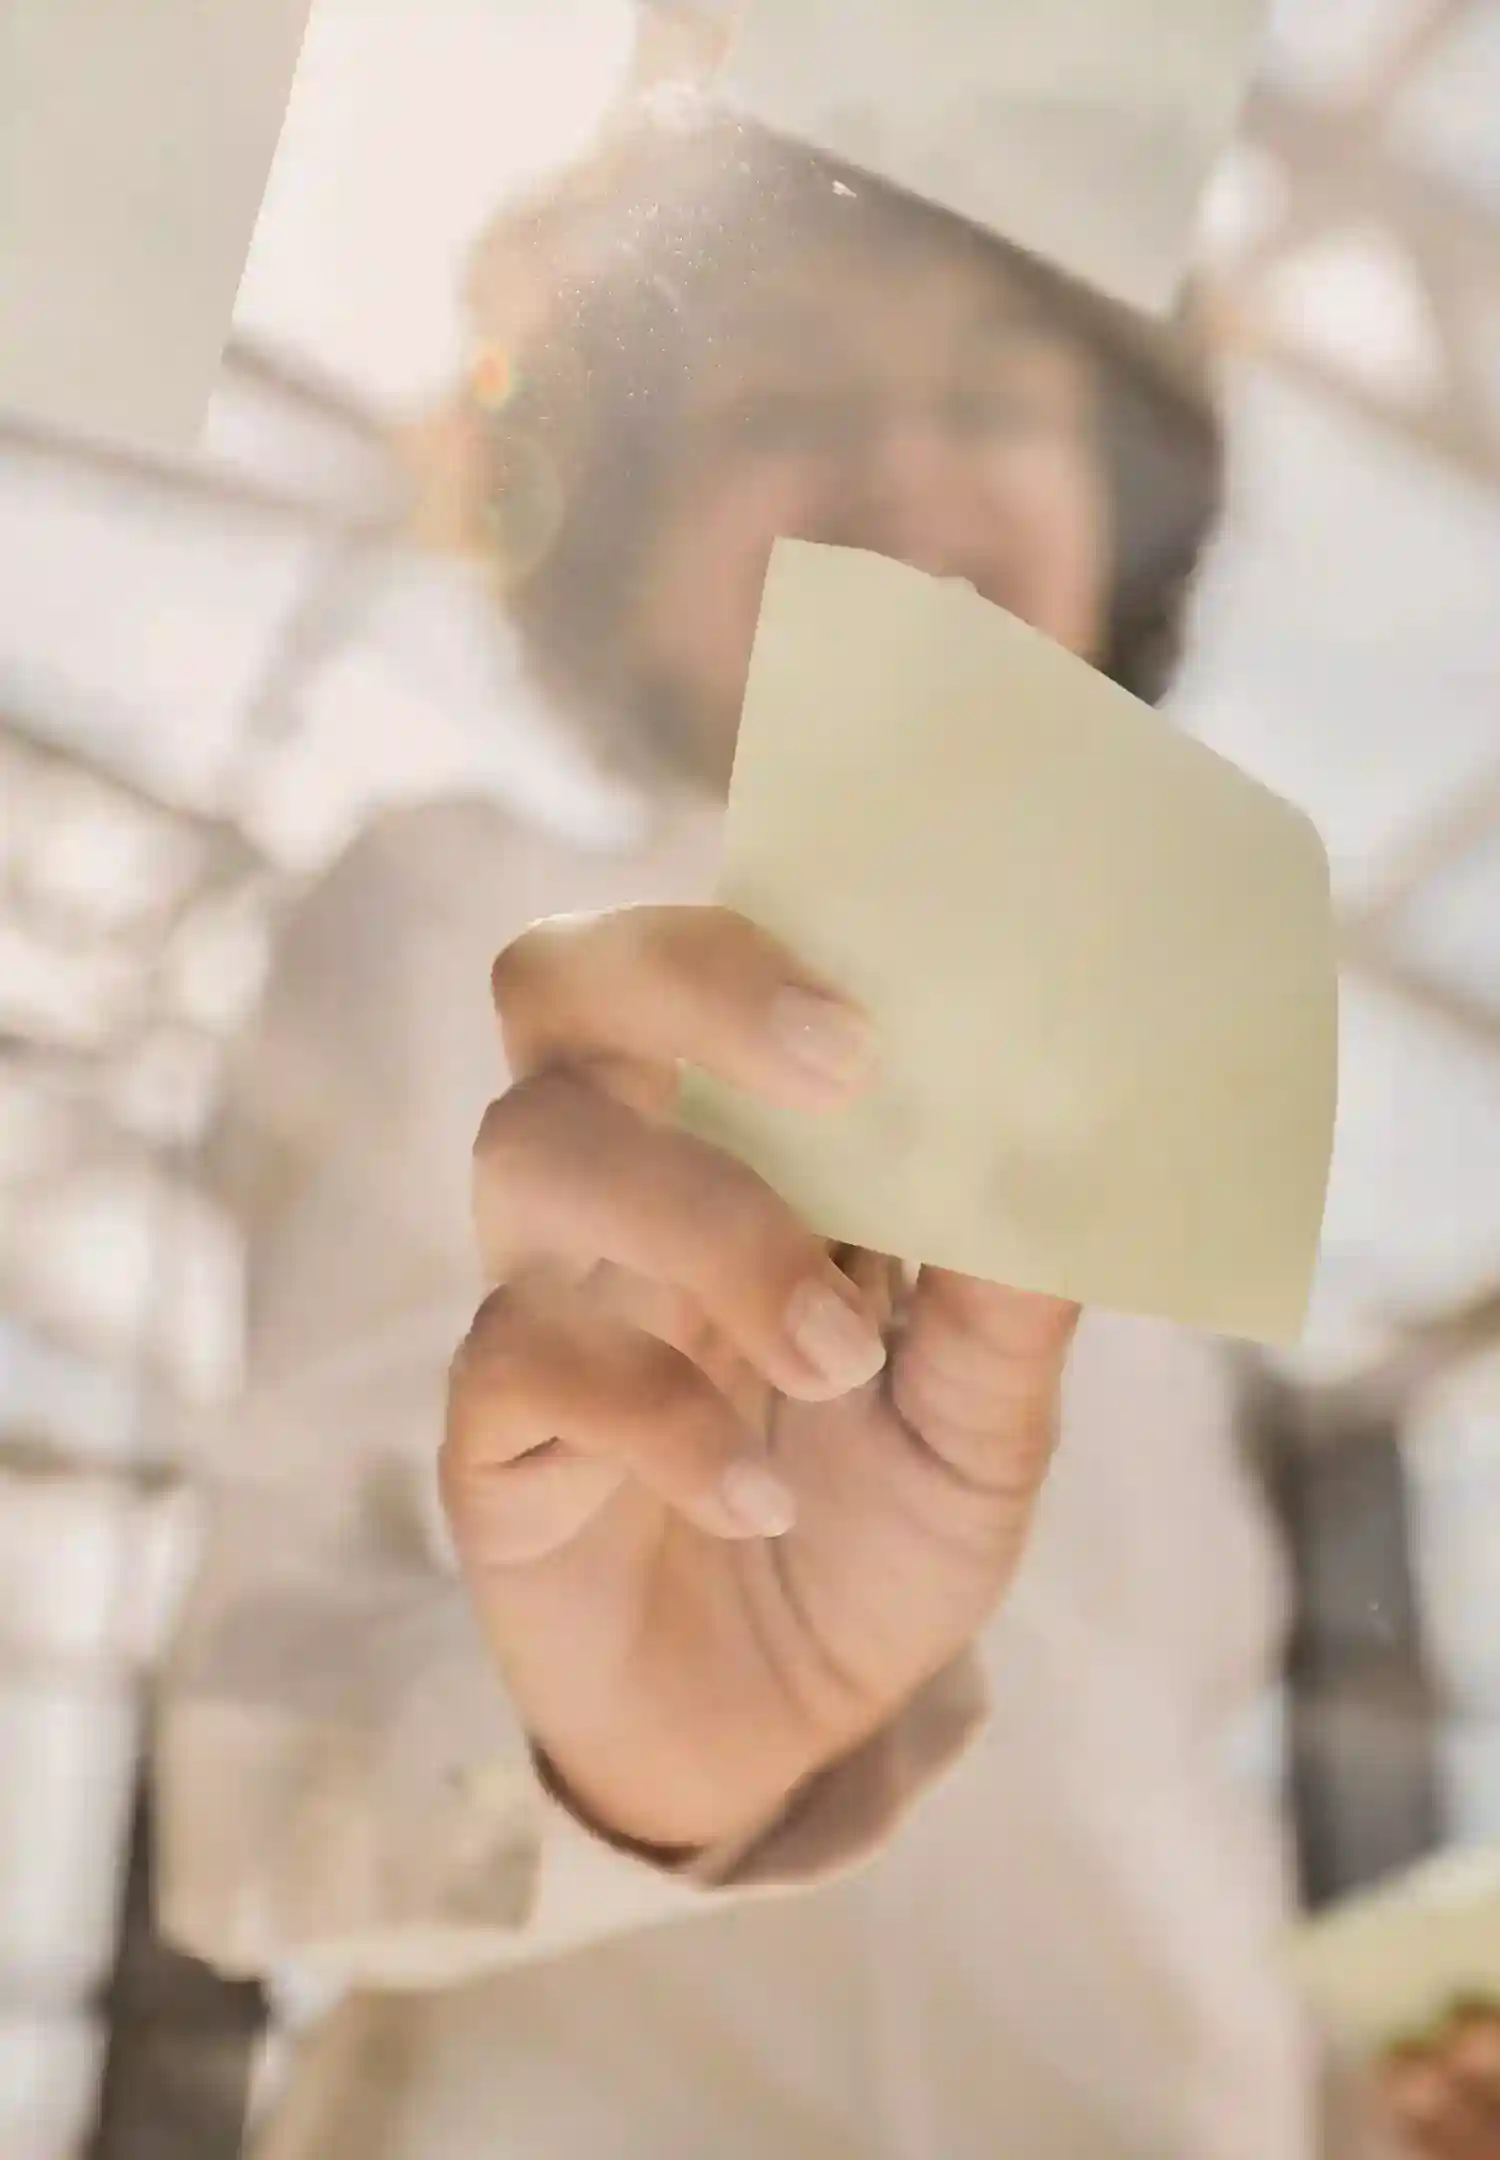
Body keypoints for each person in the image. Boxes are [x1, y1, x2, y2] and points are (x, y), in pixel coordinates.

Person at [155, 85, 1463, 2160]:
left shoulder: (1160, 1117)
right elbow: (260, 1779)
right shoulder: (469, 923)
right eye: (782, 397)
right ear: (606, 521)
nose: (907, 464)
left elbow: (1139, 1825)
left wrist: (1371, 2101)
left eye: (996, 394)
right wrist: (631, 1768)